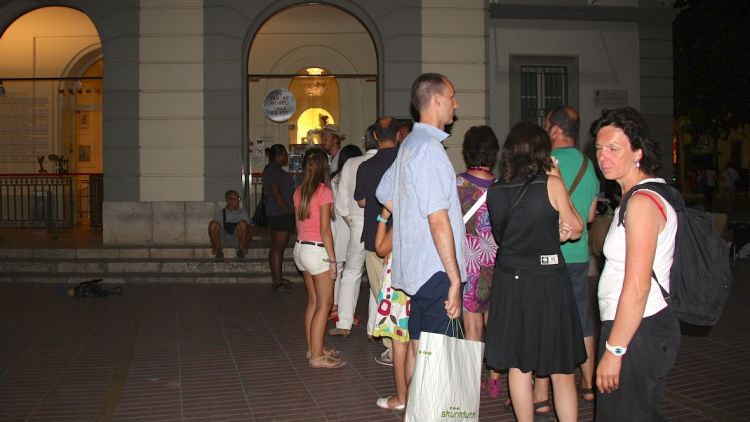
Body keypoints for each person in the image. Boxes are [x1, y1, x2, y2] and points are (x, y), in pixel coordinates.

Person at [484, 122, 585, 422]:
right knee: (561, 369)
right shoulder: (550, 185)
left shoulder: (496, 191)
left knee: (518, 365)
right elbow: (577, 227)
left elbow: (507, 237)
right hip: (547, 282)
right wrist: (559, 180)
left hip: (510, 280)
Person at [376, 73, 465, 388]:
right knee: (438, 360)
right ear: (437, 100)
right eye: (452, 96)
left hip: (415, 268)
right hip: (435, 269)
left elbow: (384, 193)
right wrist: (455, 278)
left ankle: (411, 411)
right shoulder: (427, 148)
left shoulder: (410, 144)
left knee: (418, 347)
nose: (456, 103)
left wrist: (410, 216)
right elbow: (437, 218)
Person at [591, 107, 680, 421]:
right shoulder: (635, 196)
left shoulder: (642, 203)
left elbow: (638, 286)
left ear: (638, 152)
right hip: (634, 327)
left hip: (635, 331)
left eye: (614, 149)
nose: (604, 157)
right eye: (600, 149)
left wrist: (615, 351)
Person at [532, 106, 600, 413]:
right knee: (582, 320)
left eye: (547, 126)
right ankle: (588, 386)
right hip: (578, 255)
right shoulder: (589, 165)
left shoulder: (545, 164)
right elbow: (588, 217)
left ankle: (542, 393)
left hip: (550, 255)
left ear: (556, 129)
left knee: (547, 320)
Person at [455, 125, 502, 398]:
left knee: (471, 326)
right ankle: (495, 381)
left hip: (469, 265)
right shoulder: (503, 186)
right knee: (494, 323)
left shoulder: (457, 185)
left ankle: (472, 384)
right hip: (498, 264)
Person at [354, 116, 401, 366]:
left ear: (374, 136)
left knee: (382, 294)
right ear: (399, 135)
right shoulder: (407, 163)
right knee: (405, 295)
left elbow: (361, 201)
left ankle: (393, 350)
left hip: (376, 239)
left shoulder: (366, 167)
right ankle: (407, 346)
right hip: (405, 241)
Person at [293, 148, 345, 369]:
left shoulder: (299, 191)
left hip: (300, 248)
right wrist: (333, 261)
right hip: (317, 251)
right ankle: (316, 357)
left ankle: (313, 348)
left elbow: (298, 225)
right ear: (325, 166)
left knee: (313, 302)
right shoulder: (323, 191)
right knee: (324, 304)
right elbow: (325, 230)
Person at [372, 203, 410, 410]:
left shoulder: (406, 217)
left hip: (399, 285)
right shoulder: (433, 214)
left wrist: (383, 216)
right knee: (416, 343)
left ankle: (402, 397)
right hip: (423, 283)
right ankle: (415, 395)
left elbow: (380, 248)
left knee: (399, 343)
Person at [328, 143, 364, 337]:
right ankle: (341, 309)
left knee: (341, 269)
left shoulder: (335, 179)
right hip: (348, 225)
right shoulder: (353, 175)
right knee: (349, 270)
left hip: (339, 226)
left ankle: (338, 310)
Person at [262, 144, 296, 290]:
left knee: (276, 247)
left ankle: (277, 278)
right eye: (285, 155)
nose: (286, 157)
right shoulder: (274, 171)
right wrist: (287, 210)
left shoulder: (271, 169)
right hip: (280, 214)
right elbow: (275, 192)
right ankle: (277, 282)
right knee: (278, 248)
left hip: (277, 213)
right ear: (279, 155)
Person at [208, 189, 251, 261]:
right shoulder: (221, 213)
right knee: (213, 224)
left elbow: (249, 231)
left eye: (238, 198)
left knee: (243, 223)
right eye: (235, 199)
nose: (237, 201)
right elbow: (213, 231)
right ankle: (219, 251)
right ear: (228, 200)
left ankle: (240, 251)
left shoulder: (242, 212)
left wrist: (246, 245)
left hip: (237, 240)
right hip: (224, 239)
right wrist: (214, 246)